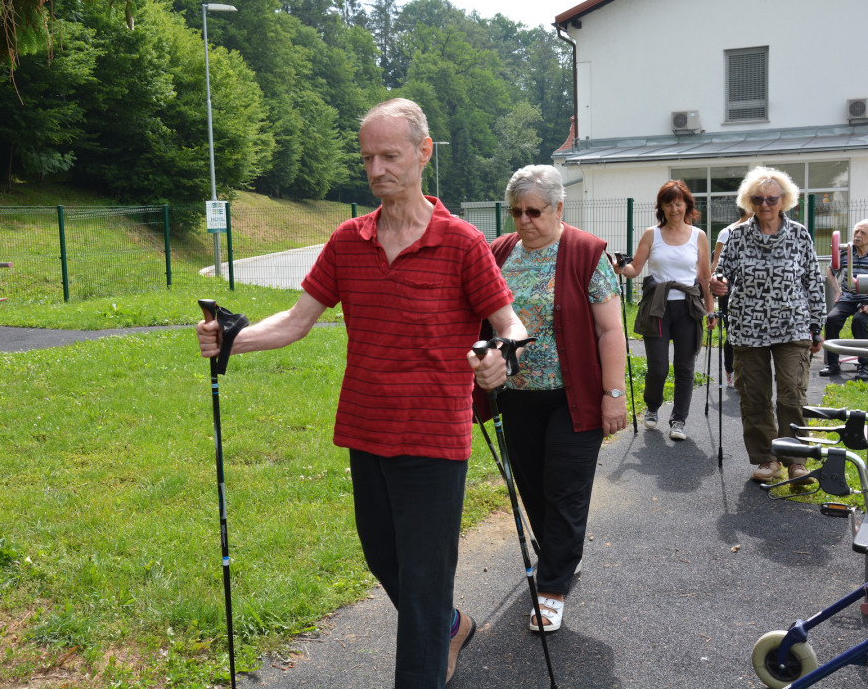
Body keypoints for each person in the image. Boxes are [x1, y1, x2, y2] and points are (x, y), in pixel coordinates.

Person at [197, 98, 528, 688]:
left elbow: (510, 324)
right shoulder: (349, 240)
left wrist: (500, 355)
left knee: (423, 582)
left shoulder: (462, 242)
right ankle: (450, 626)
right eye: (368, 158)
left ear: (423, 153)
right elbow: (296, 320)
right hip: (366, 428)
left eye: (389, 156)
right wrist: (231, 340)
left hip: (434, 437)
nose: (377, 169)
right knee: (383, 557)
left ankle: (429, 647)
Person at [473, 165, 627, 633]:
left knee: (564, 489)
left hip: (573, 397)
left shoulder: (585, 253)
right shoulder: (500, 252)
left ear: (559, 208)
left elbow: (610, 330)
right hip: (516, 397)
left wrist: (614, 394)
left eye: (534, 211)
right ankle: (561, 556)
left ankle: (552, 588)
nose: (524, 220)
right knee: (534, 488)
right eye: (516, 211)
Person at [710, 166, 826, 484]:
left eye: (771, 199)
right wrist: (717, 283)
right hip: (748, 328)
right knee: (754, 396)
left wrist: (817, 325)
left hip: (792, 326)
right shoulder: (736, 237)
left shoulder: (799, 235)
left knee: (792, 393)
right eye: (758, 199)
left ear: (783, 200)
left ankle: (796, 460)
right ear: (749, 201)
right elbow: (721, 274)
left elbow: (813, 283)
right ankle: (766, 458)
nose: (765, 205)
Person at [613, 179, 714, 441]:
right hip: (657, 307)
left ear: (687, 205)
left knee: (685, 367)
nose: (674, 209)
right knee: (658, 366)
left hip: (688, 307)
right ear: (661, 207)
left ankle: (679, 420)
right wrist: (621, 268)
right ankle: (653, 405)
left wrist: (710, 310)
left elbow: (705, 277)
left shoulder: (699, 236)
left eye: (678, 204)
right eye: (668, 204)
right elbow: (635, 268)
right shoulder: (651, 234)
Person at [820, 219, 868, 383]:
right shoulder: (846, 251)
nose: (857, 235)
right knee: (831, 320)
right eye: (856, 231)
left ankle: (865, 365)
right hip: (849, 297)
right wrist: (837, 291)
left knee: (859, 321)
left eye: (862, 233)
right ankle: (832, 364)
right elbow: (831, 270)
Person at [711, 205, 751, 386]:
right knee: (732, 331)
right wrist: (713, 289)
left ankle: (747, 370)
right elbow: (716, 264)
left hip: (749, 292)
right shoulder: (727, 233)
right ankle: (730, 369)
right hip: (729, 291)